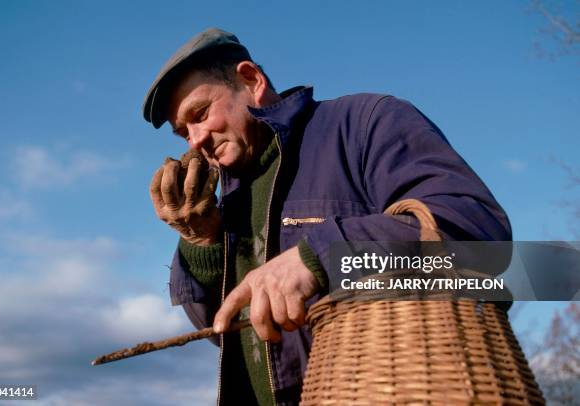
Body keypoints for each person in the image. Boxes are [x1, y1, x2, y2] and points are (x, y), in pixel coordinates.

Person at [144, 28, 512, 405]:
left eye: (201, 114)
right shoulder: (225, 205)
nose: (195, 139)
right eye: (182, 132)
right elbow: (225, 334)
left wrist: (320, 258)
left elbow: (482, 239)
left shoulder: (363, 123)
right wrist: (203, 242)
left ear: (251, 80)